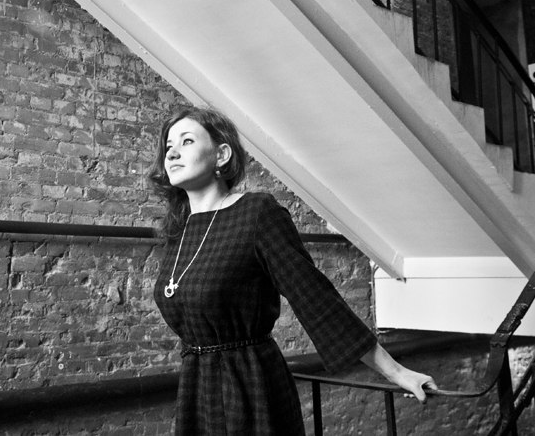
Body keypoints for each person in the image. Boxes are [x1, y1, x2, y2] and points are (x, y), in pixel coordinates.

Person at [149, 106, 437, 434]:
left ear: (221, 154)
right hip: (197, 388)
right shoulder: (179, 230)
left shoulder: (256, 213)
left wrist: (397, 373)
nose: (172, 152)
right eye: (168, 145)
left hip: (251, 385)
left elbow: (315, 299)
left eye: (186, 141)